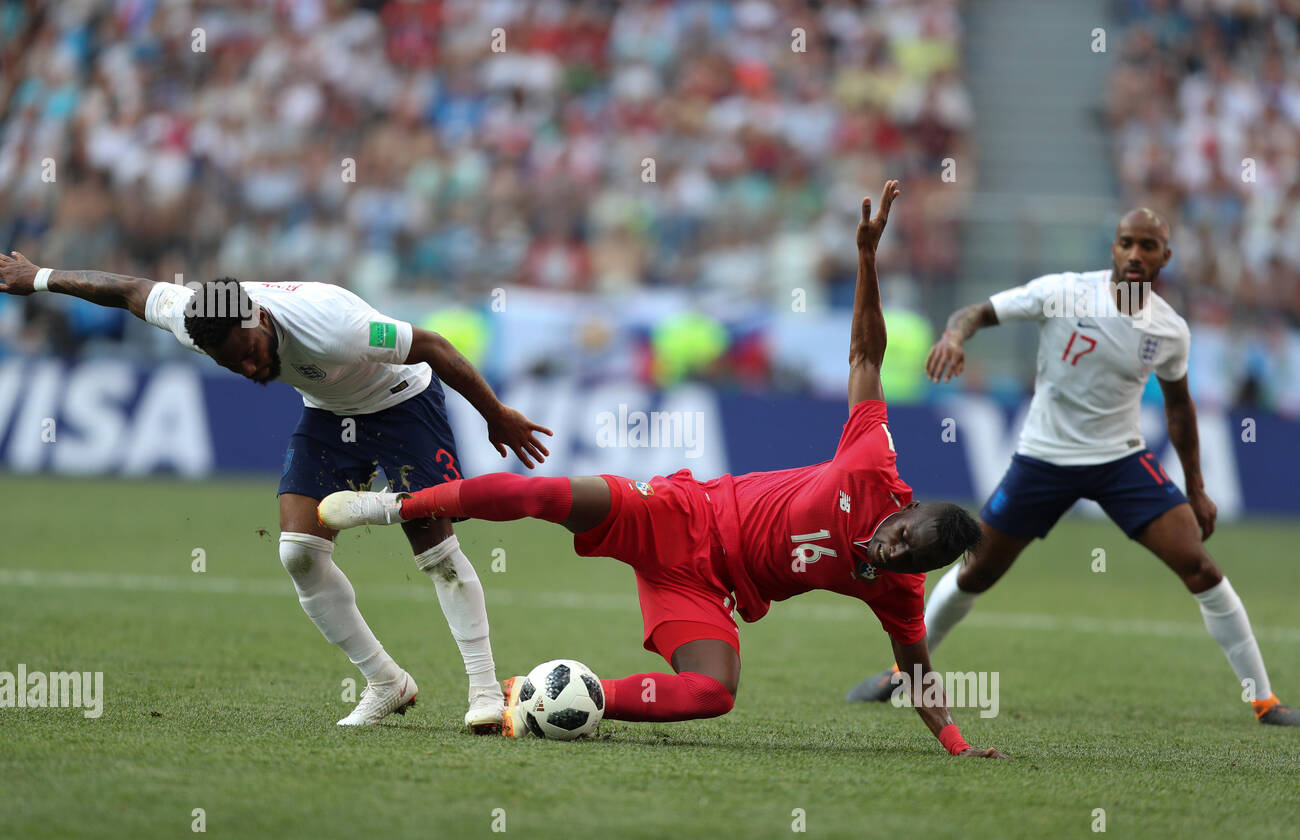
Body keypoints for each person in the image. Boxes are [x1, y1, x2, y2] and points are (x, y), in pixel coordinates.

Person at [320, 183, 1007, 757]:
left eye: (903, 558)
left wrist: (953, 741)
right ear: (909, 508)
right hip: (679, 514)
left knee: (716, 693)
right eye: (900, 536)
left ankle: (551, 702)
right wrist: (866, 257)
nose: (890, 551)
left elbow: (916, 670)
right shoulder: (871, 466)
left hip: (706, 592)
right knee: (546, 496)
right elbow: (864, 357)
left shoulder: (899, 590)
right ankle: (393, 508)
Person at [0, 253, 553, 730]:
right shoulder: (198, 317)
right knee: (298, 554)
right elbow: (127, 290)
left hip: (402, 400)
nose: (248, 365)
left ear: (260, 316)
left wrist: (496, 414)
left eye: (251, 349)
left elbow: (432, 345)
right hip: (331, 412)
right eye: (231, 363)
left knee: (434, 548)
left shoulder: (337, 326)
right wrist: (39, 276)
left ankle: (483, 691)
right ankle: (386, 682)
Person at [845, 208, 1298, 727]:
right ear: (1113, 248)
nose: (1135, 254)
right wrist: (953, 337)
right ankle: (901, 674)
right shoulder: (1062, 291)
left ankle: (1265, 701)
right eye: (1126, 242)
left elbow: (1179, 408)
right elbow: (976, 312)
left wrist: (1196, 487)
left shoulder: (1170, 330)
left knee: (1200, 567)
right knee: (976, 569)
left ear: (1164, 257)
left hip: (1119, 459)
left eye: (1148, 246)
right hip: (1044, 457)